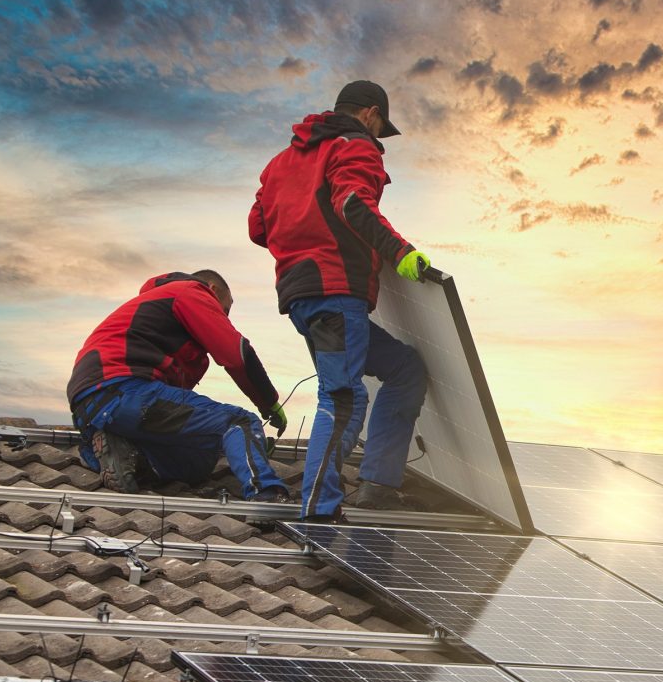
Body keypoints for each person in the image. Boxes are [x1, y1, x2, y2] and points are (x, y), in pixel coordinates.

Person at [249, 79, 430, 520]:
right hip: (335, 291)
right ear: (371, 114)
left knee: (405, 368)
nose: (378, 134)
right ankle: (318, 508)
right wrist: (400, 253)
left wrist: (301, 229)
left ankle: (379, 484)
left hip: (301, 297)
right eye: (380, 125)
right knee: (345, 397)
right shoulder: (356, 145)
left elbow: (258, 227)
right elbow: (353, 202)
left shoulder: (281, 162)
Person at [67, 270, 290, 501]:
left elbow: (175, 412)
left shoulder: (156, 309)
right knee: (240, 422)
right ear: (212, 289)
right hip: (124, 388)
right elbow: (237, 355)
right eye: (225, 310)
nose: (224, 317)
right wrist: (269, 403)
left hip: (91, 405)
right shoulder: (190, 292)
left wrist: (247, 448)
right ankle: (266, 493)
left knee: (197, 465)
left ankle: (125, 455)